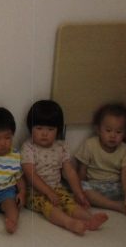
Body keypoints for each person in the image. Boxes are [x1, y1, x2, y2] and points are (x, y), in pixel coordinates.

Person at [21, 100, 108, 235]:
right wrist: (48, 192)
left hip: (57, 188)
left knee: (70, 203)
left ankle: (90, 219)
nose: (44, 133)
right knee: (49, 207)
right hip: (34, 192)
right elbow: (30, 174)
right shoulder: (28, 147)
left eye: (50, 129)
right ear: (30, 128)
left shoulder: (61, 146)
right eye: (39, 128)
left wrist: (79, 193)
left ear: (58, 130)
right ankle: (69, 223)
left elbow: (70, 172)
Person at [74, 103, 126, 215]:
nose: (113, 135)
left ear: (125, 133)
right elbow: (82, 170)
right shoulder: (90, 144)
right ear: (98, 130)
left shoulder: (125, 150)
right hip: (97, 187)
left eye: (118, 132)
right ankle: (116, 206)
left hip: (118, 187)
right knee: (81, 186)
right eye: (108, 130)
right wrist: (80, 192)